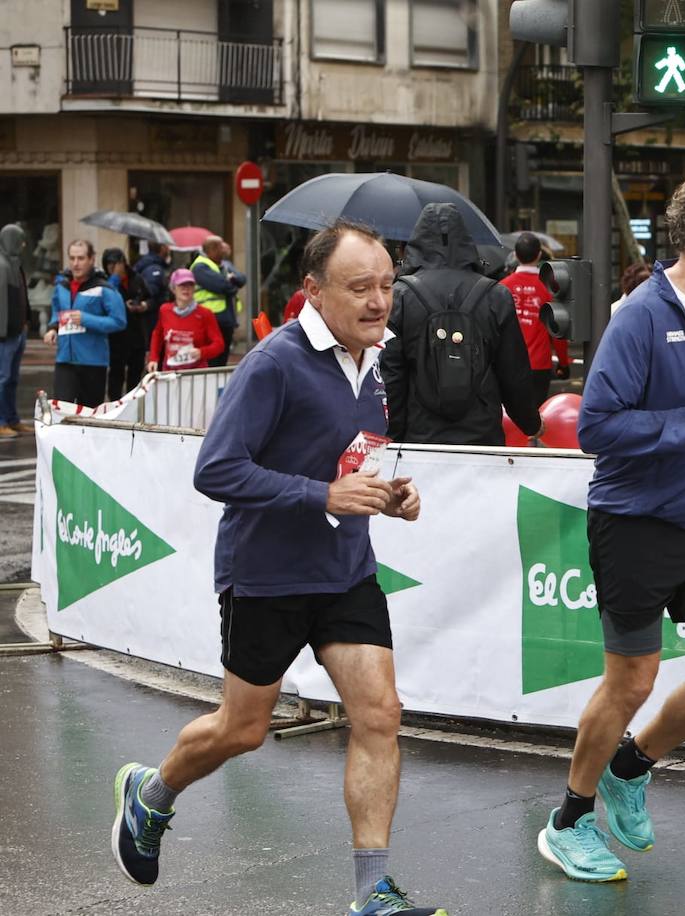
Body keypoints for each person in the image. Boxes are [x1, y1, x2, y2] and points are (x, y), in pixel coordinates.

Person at [110, 219, 447, 916]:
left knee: (380, 714)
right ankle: (151, 795)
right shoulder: (275, 362)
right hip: (266, 573)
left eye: (387, 284)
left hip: (346, 568)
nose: (379, 300)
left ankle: (372, 894)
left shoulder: (375, 359)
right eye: (360, 287)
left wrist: (388, 493)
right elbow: (217, 469)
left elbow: (350, 453)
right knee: (243, 729)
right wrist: (320, 493)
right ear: (314, 292)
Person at [538, 167, 685, 882]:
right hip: (634, 523)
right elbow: (597, 428)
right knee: (630, 682)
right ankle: (567, 821)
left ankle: (630, 767)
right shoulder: (641, 315)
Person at [380, 203, 543, 446]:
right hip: (482, 437)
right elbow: (514, 373)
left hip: (420, 438)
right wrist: (531, 423)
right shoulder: (495, 296)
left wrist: (393, 437)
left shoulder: (399, 296)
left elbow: (391, 376)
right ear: (466, 242)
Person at [44, 239, 127, 408]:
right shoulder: (62, 285)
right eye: (72, 258)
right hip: (64, 360)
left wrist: (86, 319)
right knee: (61, 412)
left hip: (93, 362)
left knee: (89, 415)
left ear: (91, 259)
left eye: (81, 258)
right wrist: (53, 328)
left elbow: (119, 321)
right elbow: (57, 310)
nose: (76, 263)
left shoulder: (104, 288)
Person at [499, 231, 570, 404]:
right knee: (536, 419)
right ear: (539, 254)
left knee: (509, 418)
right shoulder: (548, 289)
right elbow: (557, 329)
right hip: (538, 364)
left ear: (515, 255)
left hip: (508, 364)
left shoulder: (501, 288)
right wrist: (563, 362)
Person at [145, 268, 225, 372]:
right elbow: (158, 335)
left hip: (196, 374)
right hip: (170, 374)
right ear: (173, 289)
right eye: (182, 285)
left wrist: (201, 352)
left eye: (190, 285)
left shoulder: (205, 314)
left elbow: (219, 344)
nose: (186, 289)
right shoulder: (165, 310)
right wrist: (153, 359)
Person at [103, 248, 150, 400]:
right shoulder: (106, 282)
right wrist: (115, 278)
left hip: (137, 334)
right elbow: (106, 298)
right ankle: (115, 404)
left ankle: (132, 404)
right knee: (116, 373)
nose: (113, 267)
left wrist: (144, 305)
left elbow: (151, 297)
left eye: (116, 263)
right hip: (117, 337)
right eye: (109, 264)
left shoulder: (136, 278)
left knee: (135, 373)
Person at [191, 235, 245, 368]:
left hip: (225, 319)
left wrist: (230, 281)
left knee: (222, 359)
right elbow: (223, 286)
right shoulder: (200, 266)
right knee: (212, 361)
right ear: (213, 249)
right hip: (210, 319)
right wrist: (231, 282)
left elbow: (242, 279)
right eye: (221, 246)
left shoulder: (224, 265)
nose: (225, 248)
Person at [0, 224, 28, 438]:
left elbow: (21, 297)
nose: (24, 244)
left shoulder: (14, 264)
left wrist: (25, 321)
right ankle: (2, 422)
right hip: (5, 334)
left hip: (17, 331)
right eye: (20, 240)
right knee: (4, 377)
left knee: (11, 378)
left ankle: (11, 419)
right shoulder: (2, 265)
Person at [133, 243, 172, 337]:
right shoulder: (154, 269)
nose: (169, 249)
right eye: (167, 246)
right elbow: (151, 293)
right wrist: (147, 304)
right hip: (152, 320)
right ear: (162, 248)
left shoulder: (150, 264)